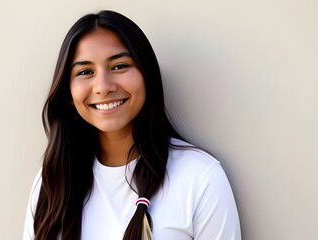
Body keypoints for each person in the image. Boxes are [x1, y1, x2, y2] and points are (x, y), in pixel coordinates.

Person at [23, 9, 241, 240]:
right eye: (85, 72)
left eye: (119, 66)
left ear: (147, 75)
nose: (103, 86)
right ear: (68, 91)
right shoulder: (51, 182)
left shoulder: (199, 176)